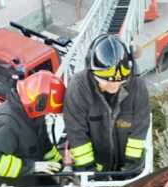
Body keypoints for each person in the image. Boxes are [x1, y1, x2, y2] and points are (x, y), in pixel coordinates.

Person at [63, 34, 150, 173]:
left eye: (119, 81)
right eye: (107, 81)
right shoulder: (79, 88)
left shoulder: (137, 86)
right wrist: (89, 171)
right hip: (96, 165)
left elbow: (140, 129)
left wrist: (130, 168)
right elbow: (76, 133)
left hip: (127, 164)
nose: (114, 86)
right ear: (93, 73)